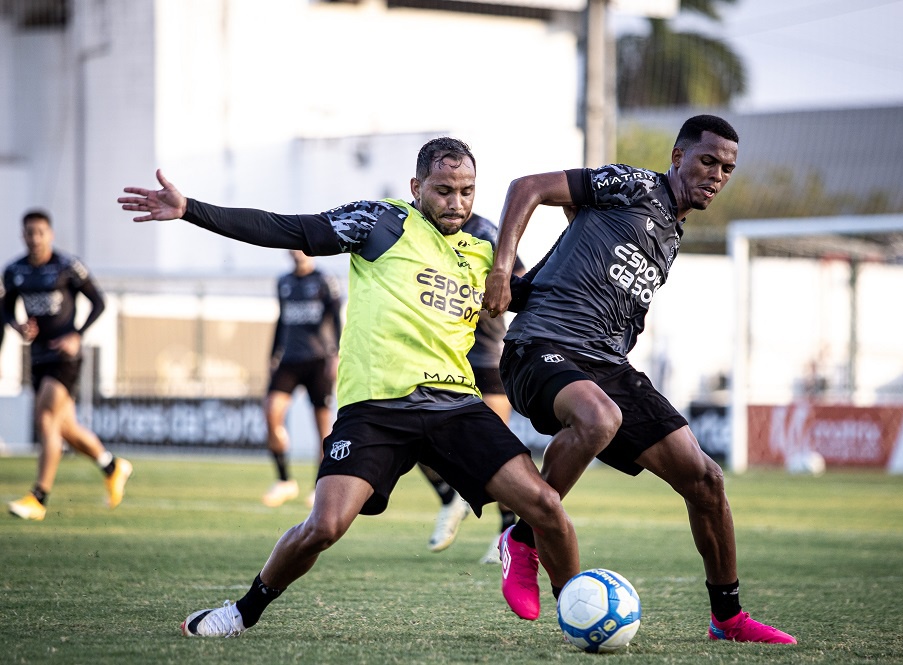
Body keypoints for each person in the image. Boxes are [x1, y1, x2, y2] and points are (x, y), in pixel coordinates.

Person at [118, 137, 580, 637]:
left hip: (454, 405)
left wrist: (584, 232)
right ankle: (242, 611)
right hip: (376, 409)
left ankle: (579, 607)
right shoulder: (380, 222)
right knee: (324, 527)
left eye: (466, 191)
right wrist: (191, 210)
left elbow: (542, 300)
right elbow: (286, 228)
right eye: (444, 189)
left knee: (546, 507)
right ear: (416, 186)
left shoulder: (487, 248)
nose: (456, 202)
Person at [481, 115, 797, 644]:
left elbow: (580, 247)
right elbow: (529, 187)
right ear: (677, 157)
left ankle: (728, 618)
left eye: (727, 168)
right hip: (540, 346)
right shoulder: (633, 184)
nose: (717, 174)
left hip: (606, 363)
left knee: (706, 481)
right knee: (600, 417)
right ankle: (525, 537)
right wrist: (502, 267)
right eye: (707, 161)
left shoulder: (672, 233)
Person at [3, 210, 133, 521]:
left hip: (65, 357)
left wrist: (77, 335)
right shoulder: (14, 271)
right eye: (29, 233)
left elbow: (99, 302)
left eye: (40, 232)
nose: (35, 238)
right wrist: (17, 326)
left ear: (50, 234)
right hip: (36, 357)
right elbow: (5, 310)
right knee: (66, 428)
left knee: (45, 419)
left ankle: (38, 497)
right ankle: (112, 466)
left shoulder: (66, 266)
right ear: (22, 235)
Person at [421, 214, 524, 563]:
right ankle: (449, 498)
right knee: (416, 438)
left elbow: (520, 278)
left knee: (498, 452)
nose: (453, 201)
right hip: (439, 355)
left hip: (484, 355)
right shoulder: (418, 228)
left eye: (463, 190)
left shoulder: (485, 232)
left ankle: (506, 533)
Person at [262, 249, 342, 508]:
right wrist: (273, 355)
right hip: (289, 360)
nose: (297, 252)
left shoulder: (324, 280)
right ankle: (284, 480)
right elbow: (281, 320)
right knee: (271, 411)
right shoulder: (283, 281)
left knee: (322, 427)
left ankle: (319, 486)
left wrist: (337, 355)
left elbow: (337, 318)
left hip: (318, 360)